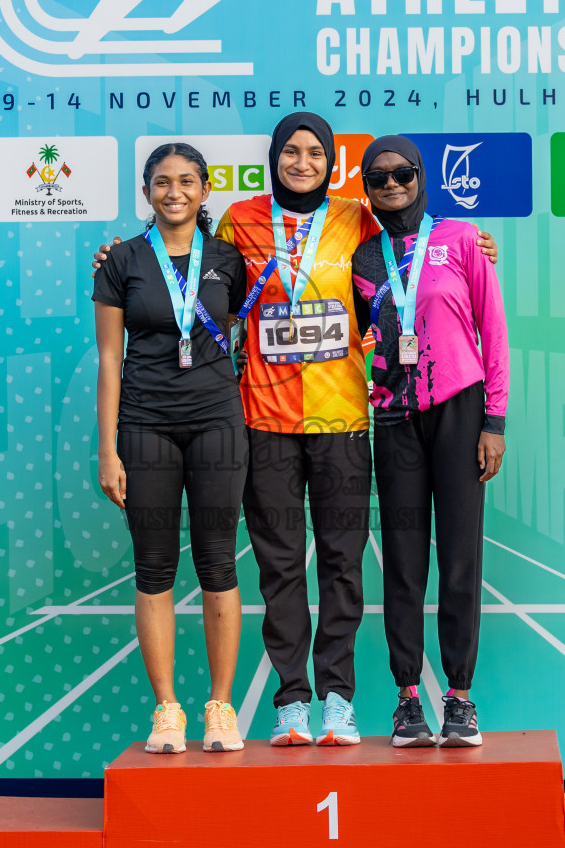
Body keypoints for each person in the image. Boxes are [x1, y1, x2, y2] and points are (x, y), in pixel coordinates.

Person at [95, 116, 499, 747]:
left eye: (315, 152)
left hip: (342, 418)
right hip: (262, 419)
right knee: (279, 567)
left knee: (342, 566)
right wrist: (121, 259)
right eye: (291, 151)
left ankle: (338, 698)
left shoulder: (357, 220)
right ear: (273, 159)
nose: (303, 161)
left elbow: (406, 251)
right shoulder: (236, 223)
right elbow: (185, 269)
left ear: (331, 162)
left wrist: (472, 244)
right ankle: (291, 702)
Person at [350, 135, 508, 748]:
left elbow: (492, 331)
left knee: (460, 555)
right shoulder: (363, 259)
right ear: (367, 189)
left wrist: (494, 422)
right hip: (393, 416)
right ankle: (408, 698)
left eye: (403, 173)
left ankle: (461, 698)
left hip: (460, 409)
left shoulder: (464, 240)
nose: (392, 185)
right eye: (379, 178)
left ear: (421, 177)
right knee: (404, 558)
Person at [93, 142, 249, 754]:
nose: (175, 192)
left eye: (187, 181)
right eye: (162, 182)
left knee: (219, 564)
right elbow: (110, 358)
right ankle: (166, 712)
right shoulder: (121, 261)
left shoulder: (229, 260)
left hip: (217, 422)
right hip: (145, 426)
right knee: (154, 568)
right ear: (147, 191)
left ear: (205, 190)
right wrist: (107, 449)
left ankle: (220, 708)